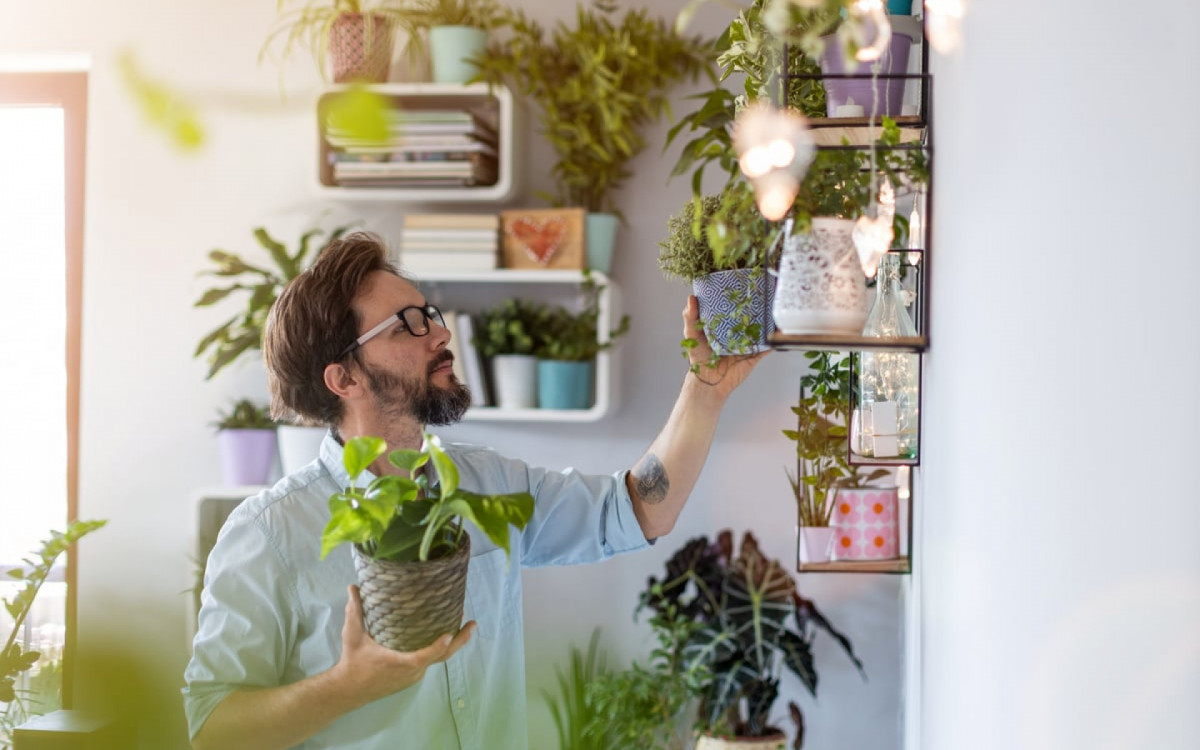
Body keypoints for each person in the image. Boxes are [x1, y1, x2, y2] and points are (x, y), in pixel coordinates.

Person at [183, 232, 764, 750]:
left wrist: (705, 389)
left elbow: (637, 509)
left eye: (428, 313)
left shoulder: (487, 485)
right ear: (345, 378)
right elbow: (211, 730)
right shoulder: (267, 536)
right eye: (408, 324)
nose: (440, 331)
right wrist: (346, 686)